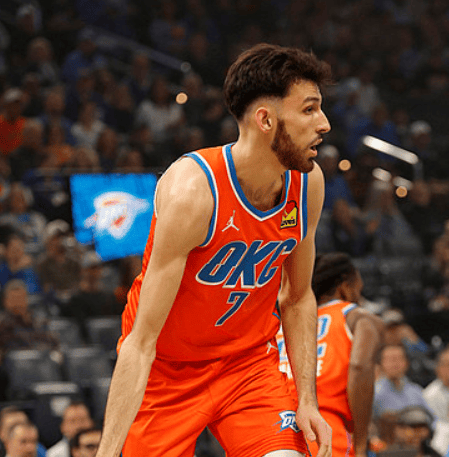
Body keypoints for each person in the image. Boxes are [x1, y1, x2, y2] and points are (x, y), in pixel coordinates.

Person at [95, 43, 333, 457]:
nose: (324, 124)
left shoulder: (308, 184)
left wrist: (307, 400)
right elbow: (141, 340)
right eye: (309, 110)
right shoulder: (193, 191)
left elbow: (297, 298)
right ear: (265, 119)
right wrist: (106, 452)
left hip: (247, 367)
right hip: (167, 372)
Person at [277, 252, 383, 457]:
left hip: (271, 430)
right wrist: (361, 443)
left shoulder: (284, 322)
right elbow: (360, 367)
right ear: (345, 287)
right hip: (324, 428)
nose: (359, 298)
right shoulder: (358, 317)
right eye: (358, 290)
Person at [373, 344, 433, 421]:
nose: (395, 364)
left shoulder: (416, 390)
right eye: (390, 360)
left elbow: (432, 419)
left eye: (399, 359)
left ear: (406, 363)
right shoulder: (374, 393)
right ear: (381, 364)